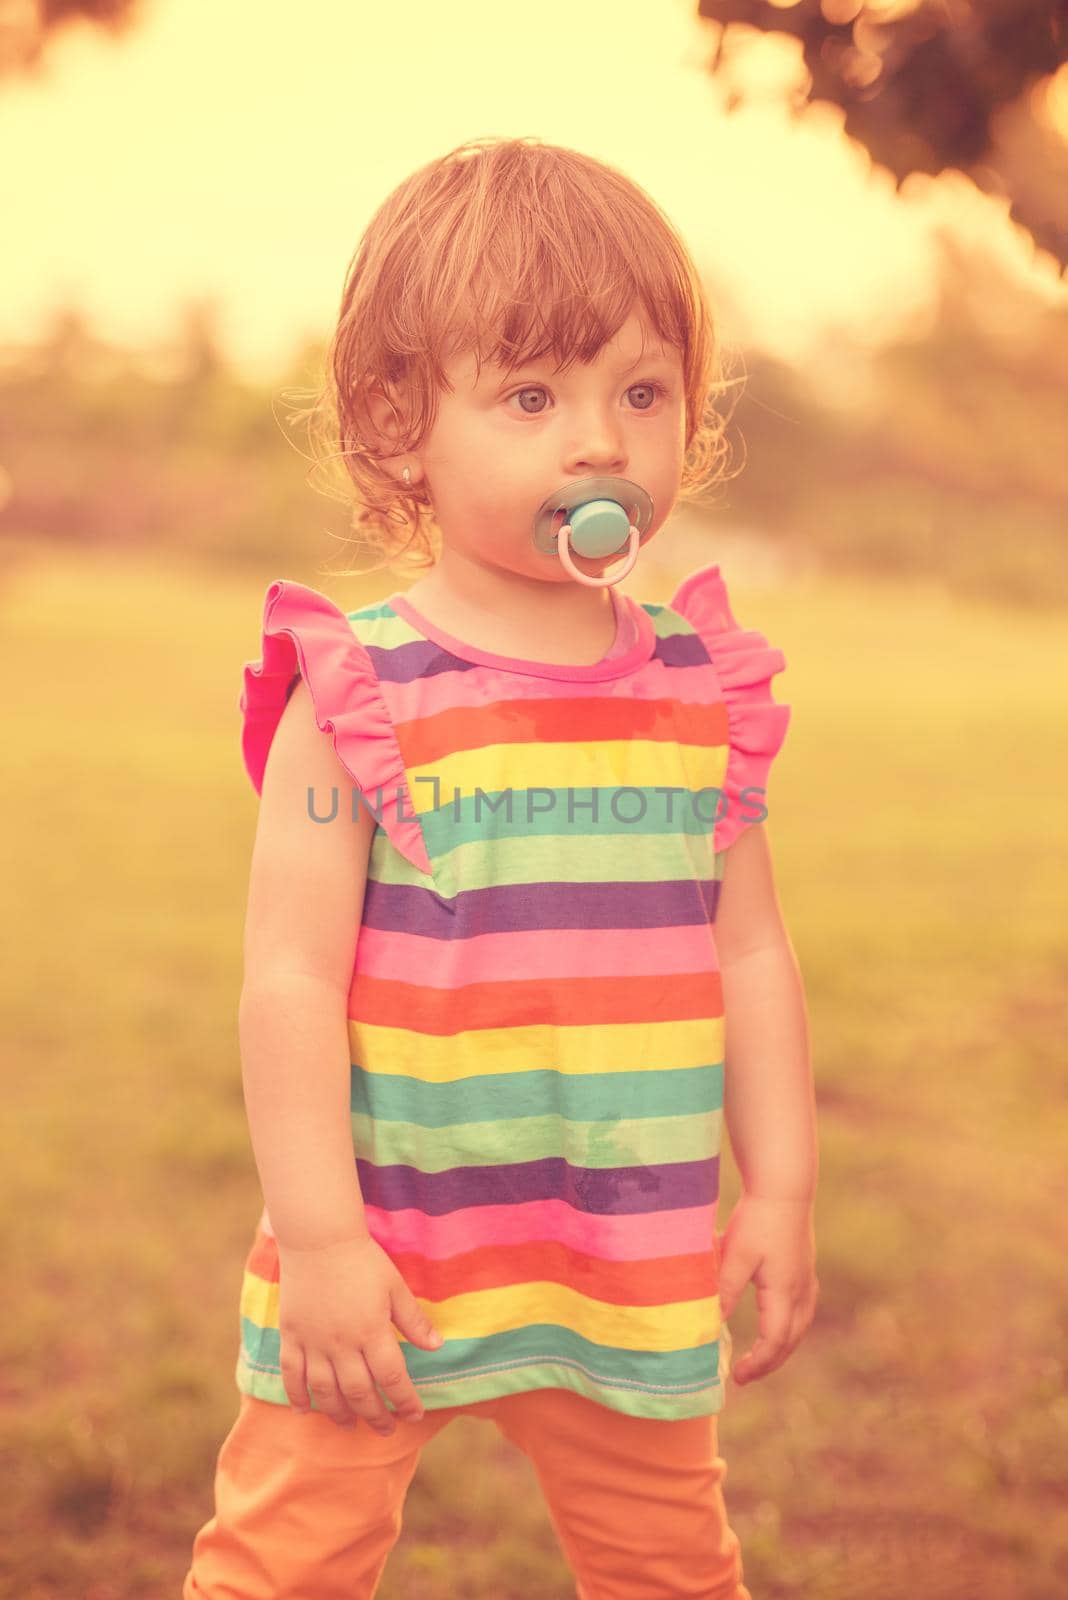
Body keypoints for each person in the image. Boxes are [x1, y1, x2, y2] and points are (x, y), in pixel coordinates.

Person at [183, 135, 819, 1600]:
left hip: (625, 1251)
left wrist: (777, 1187)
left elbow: (749, 952)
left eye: (639, 394)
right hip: (388, 1253)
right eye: (533, 396)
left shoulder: (697, 691)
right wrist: (326, 1242)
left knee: (670, 1568)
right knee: (286, 1565)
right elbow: (285, 981)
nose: (600, 442)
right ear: (403, 425)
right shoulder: (359, 697)